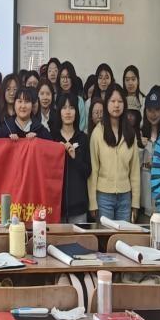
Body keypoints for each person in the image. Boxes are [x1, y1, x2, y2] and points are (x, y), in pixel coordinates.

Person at [91, 84, 140, 222]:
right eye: (112, 101)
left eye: (120, 101)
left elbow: (135, 170)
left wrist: (135, 202)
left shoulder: (130, 132)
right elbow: (93, 170)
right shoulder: (98, 132)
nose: (116, 105)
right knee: (106, 235)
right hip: (103, 196)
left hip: (125, 196)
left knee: (123, 233)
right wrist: (92, 202)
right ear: (106, 103)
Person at [54, 93, 90, 223]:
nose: (68, 112)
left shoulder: (83, 138)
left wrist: (75, 157)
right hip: (56, 206)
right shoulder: (53, 138)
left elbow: (88, 171)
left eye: (72, 108)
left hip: (79, 206)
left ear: (77, 112)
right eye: (64, 108)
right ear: (59, 112)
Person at [140, 85, 160, 218]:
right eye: (149, 110)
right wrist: (139, 147)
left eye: (157, 110)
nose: (153, 114)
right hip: (143, 204)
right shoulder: (140, 134)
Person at [58, 62, 88, 132]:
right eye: (62, 77)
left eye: (68, 77)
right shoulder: (55, 98)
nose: (65, 80)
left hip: (77, 136)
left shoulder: (79, 100)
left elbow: (82, 125)